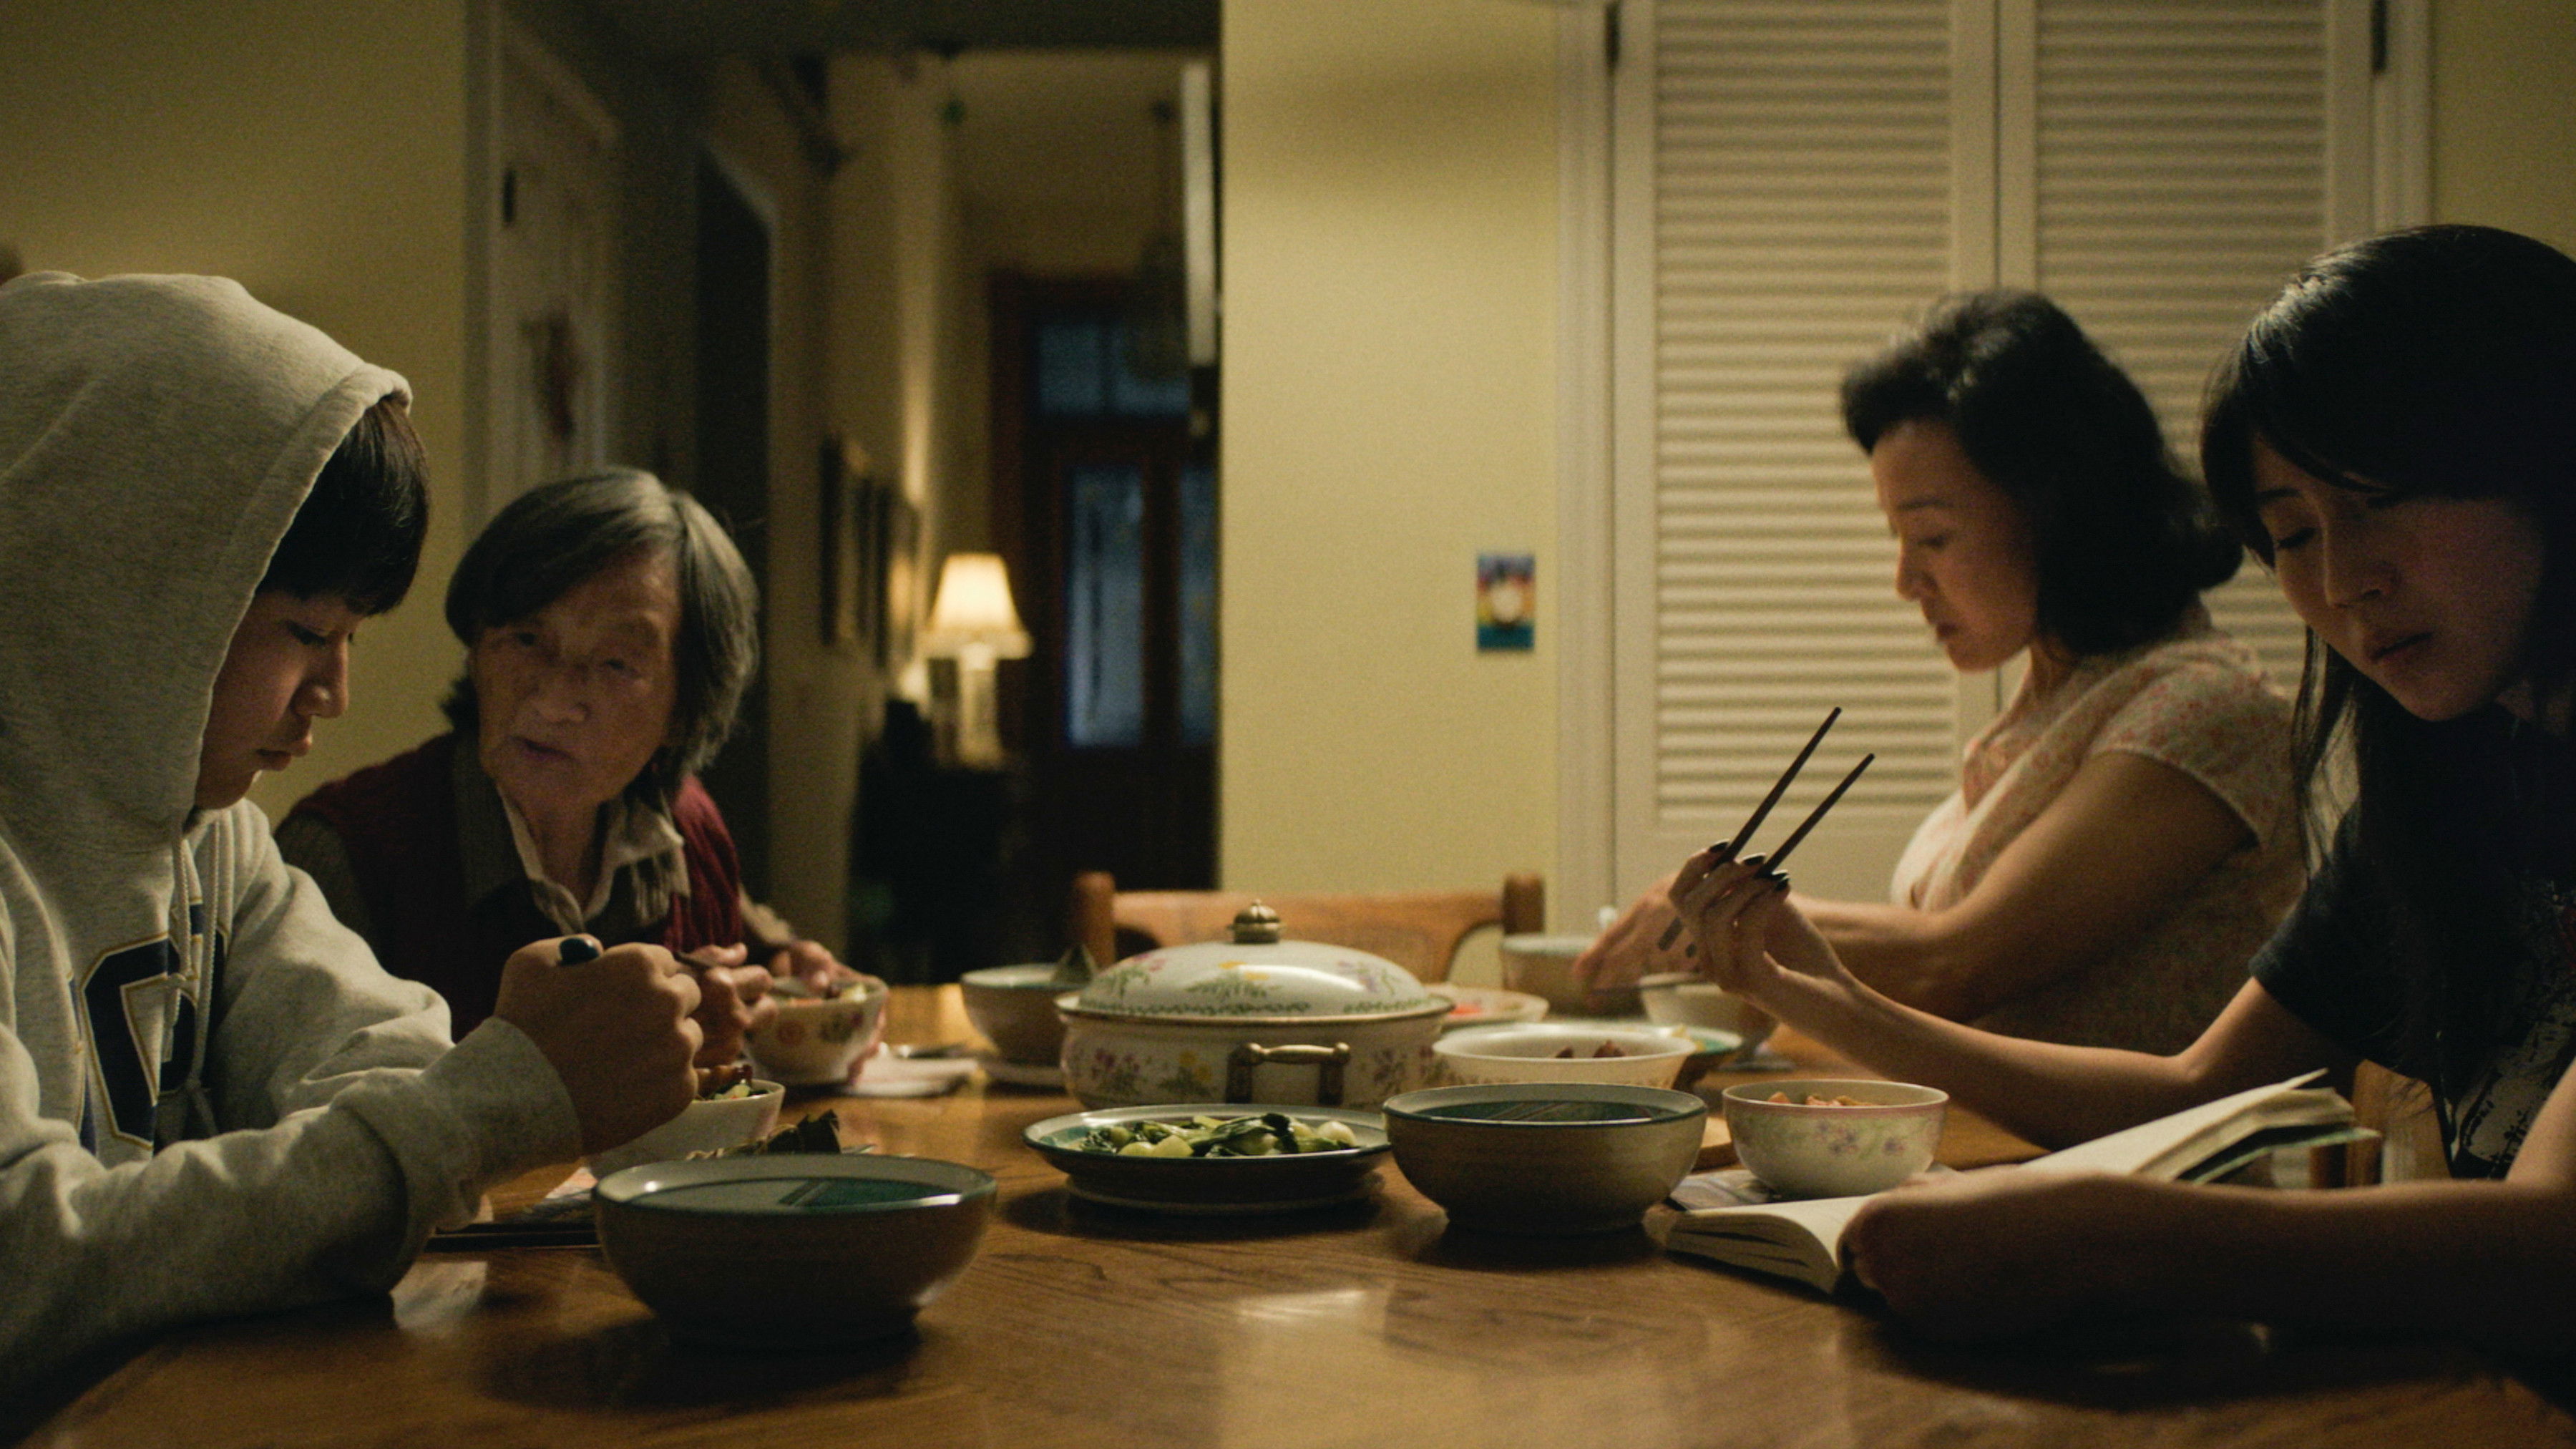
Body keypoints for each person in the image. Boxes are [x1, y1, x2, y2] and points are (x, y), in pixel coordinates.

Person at [1671, 223, 2576, 1347]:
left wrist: (2120, 1239)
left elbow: (2556, 1244)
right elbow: (2201, 1087)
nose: (2345, 579)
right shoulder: (2450, 781)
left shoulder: (2201, 705)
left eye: (2381, 499)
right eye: (2294, 533)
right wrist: (1824, 999)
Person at [0, 273, 715, 1395]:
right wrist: (478, 1111)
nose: (334, 691)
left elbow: (390, 1059)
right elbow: (26, 1269)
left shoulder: (218, 842)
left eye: (352, 636)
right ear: (126, 590)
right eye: (304, 630)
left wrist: (433, 1124)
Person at [1580, 292, 2302, 1052]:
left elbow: (1957, 963)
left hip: (2126, 1137)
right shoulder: (2054, 705)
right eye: (1898, 537)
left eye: (1932, 537)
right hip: (1967, 1127)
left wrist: (1719, 910)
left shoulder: (2208, 709)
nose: (1905, 581)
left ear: (2056, 512)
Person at [277, 469, 861, 1043]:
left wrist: (793, 973)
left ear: (683, 712)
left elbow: (750, 943)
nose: (554, 700)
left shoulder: (683, 830)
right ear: (477, 646)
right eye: (527, 639)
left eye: (616, 664)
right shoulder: (346, 861)